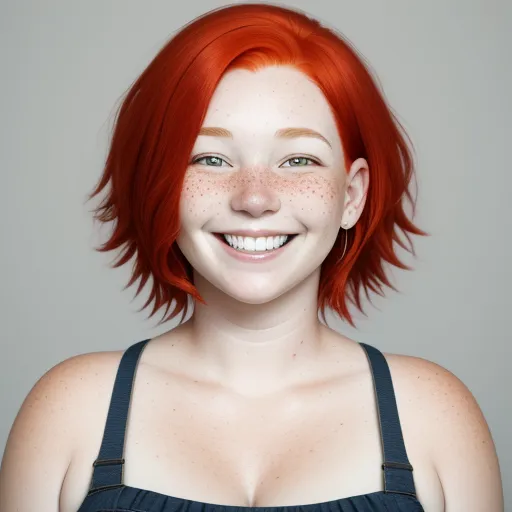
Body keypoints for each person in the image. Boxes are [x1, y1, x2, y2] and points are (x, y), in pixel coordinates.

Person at [0, 3, 504, 511]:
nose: (255, 198)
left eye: (298, 160)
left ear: (351, 195)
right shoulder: (68, 412)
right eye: (211, 158)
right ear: (162, 185)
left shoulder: (437, 419)